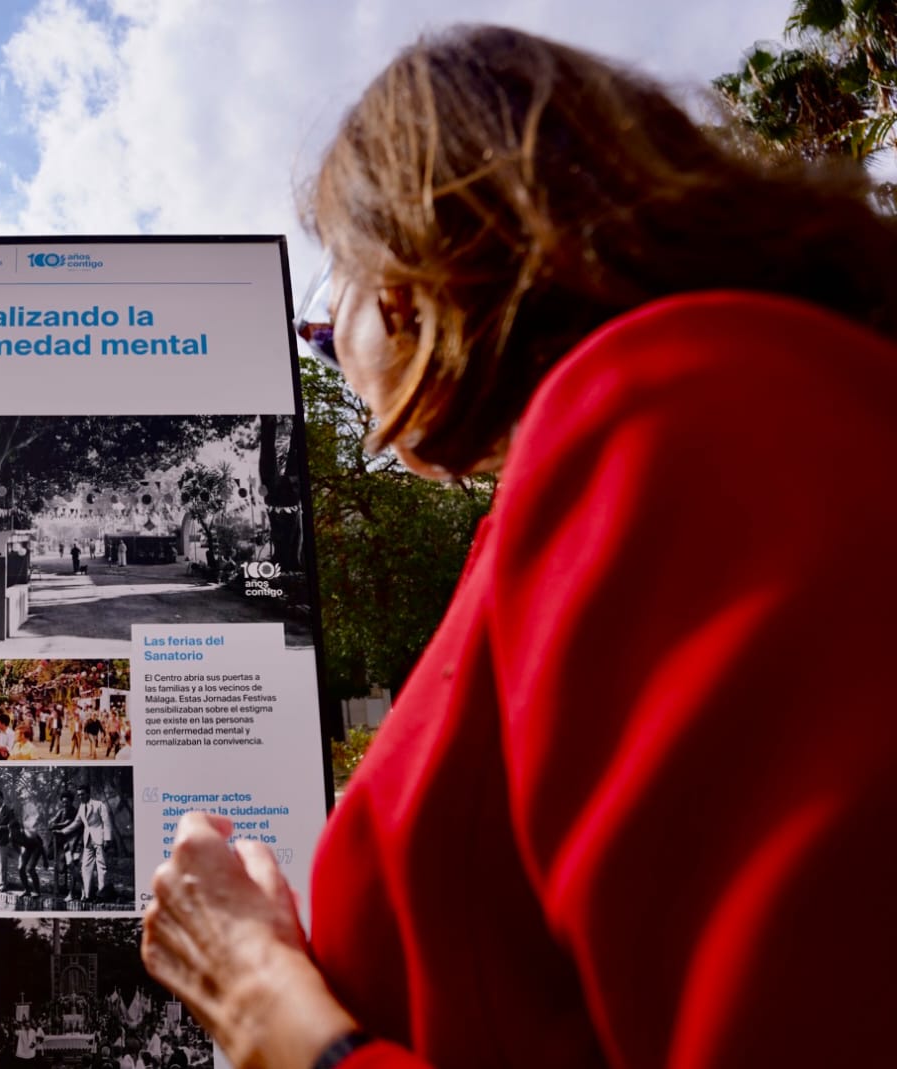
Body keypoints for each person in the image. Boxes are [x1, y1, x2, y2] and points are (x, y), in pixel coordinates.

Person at [141, 24, 897, 1069]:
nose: (337, 354)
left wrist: (270, 1012)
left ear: (404, 276)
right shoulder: (630, 451)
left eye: (331, 308)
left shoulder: (668, 418)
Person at [61, 784, 114, 902]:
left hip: (100, 839)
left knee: (101, 866)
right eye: (79, 795)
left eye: (82, 794)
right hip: (88, 840)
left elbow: (106, 822)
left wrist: (107, 839)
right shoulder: (81, 807)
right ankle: (88, 895)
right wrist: (63, 832)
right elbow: (76, 822)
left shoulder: (99, 804)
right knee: (85, 867)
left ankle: (102, 894)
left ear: (88, 794)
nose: (80, 797)